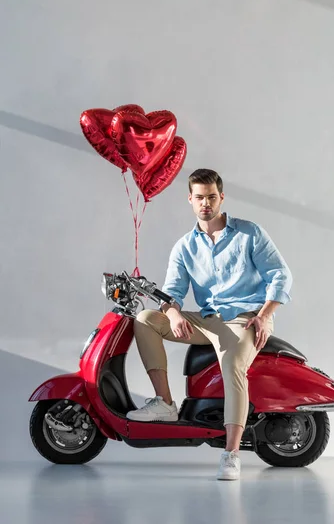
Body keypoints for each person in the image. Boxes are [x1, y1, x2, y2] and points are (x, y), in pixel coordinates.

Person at [127, 169, 293, 480]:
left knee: (232, 364)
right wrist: (173, 313)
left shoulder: (249, 233)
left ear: (221, 198)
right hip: (205, 321)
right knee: (145, 319)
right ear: (190, 199)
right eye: (200, 197)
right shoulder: (184, 247)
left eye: (212, 197)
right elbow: (172, 292)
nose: (206, 203)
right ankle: (164, 403)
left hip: (242, 319)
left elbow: (280, 275)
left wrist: (266, 314)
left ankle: (231, 454)